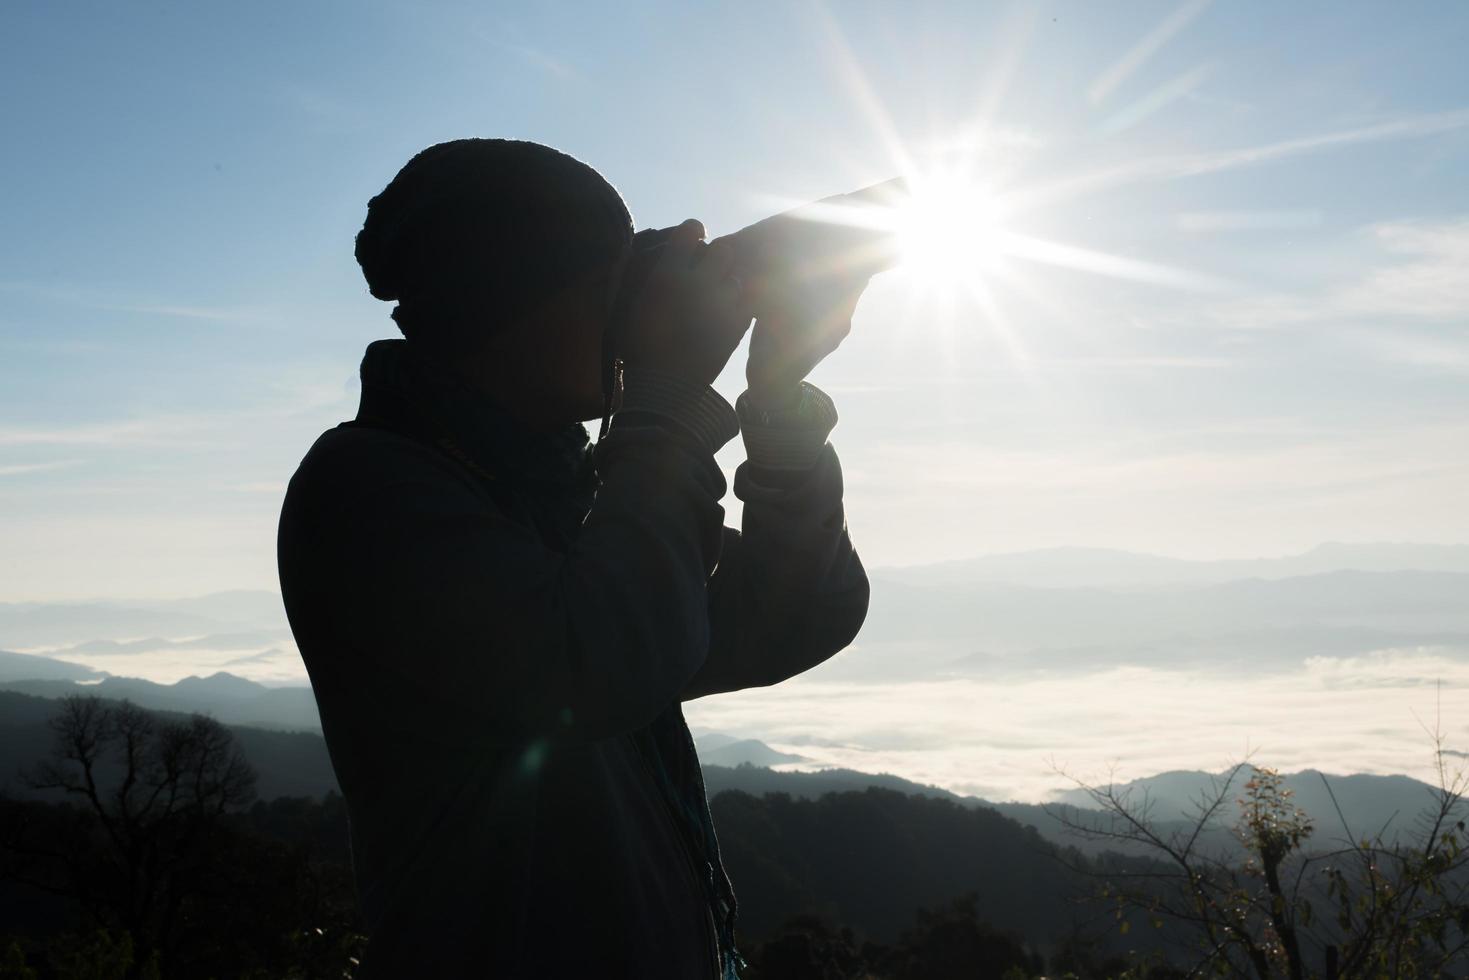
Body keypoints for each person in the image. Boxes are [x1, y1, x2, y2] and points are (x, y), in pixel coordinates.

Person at [277, 138, 871, 979]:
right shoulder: (368, 489)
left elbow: (794, 620)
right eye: (612, 287)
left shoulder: (574, 493)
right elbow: (597, 664)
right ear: (510, 304)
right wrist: (666, 394)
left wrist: (775, 406)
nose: (633, 317)